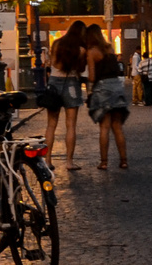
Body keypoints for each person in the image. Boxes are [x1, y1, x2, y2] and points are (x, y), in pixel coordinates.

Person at [84, 24, 130, 169]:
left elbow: (91, 77)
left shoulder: (91, 52)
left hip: (103, 87)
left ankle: (104, 162)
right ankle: (123, 161)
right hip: (116, 86)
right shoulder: (110, 49)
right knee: (117, 126)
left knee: (104, 127)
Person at [42, 21, 86, 167]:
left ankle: (47, 160)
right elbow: (81, 69)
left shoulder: (56, 44)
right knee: (71, 125)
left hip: (54, 83)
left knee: (51, 125)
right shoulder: (80, 50)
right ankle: (69, 161)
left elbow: (53, 63)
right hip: (72, 83)